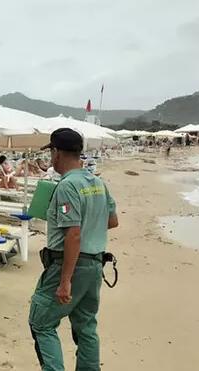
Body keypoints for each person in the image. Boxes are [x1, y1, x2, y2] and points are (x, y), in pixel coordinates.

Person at [29, 128, 119, 371]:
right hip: (94, 265)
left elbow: (73, 234)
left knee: (42, 322)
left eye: (51, 153)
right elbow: (112, 221)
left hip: (69, 264)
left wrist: (65, 280)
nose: (50, 159)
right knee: (86, 325)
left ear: (56, 152)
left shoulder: (68, 186)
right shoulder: (97, 182)